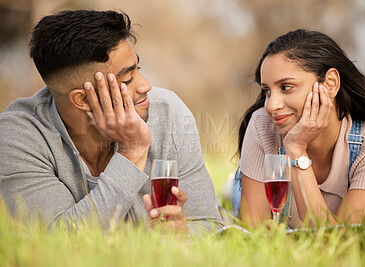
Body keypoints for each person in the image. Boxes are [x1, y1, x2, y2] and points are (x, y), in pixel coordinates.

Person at [0, 10, 223, 236]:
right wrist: (132, 151)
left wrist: (179, 237)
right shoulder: (19, 136)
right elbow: (57, 240)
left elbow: (209, 225)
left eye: (139, 69)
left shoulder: (168, 113)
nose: (145, 86)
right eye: (127, 79)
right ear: (83, 99)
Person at [237, 29, 365, 228]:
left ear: (330, 84)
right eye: (267, 91)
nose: (271, 106)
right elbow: (254, 236)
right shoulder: (262, 125)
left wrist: (296, 149)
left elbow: (339, 245)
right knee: (233, 196)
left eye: (286, 87)